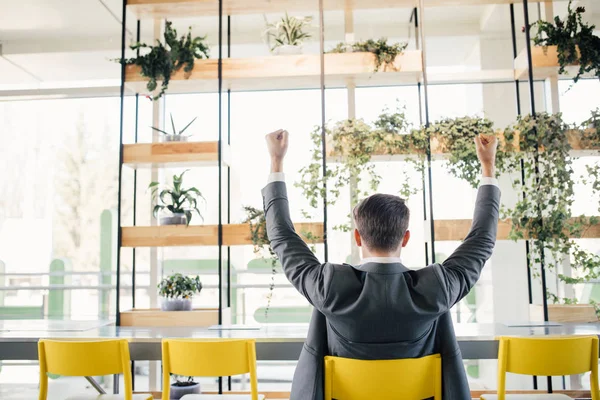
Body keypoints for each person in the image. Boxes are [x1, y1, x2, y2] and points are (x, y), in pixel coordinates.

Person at [262, 129, 500, 400]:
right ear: (406, 238)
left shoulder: (329, 286)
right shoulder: (437, 287)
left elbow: (281, 235)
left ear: (357, 237)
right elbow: (482, 240)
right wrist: (488, 166)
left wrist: (276, 161)